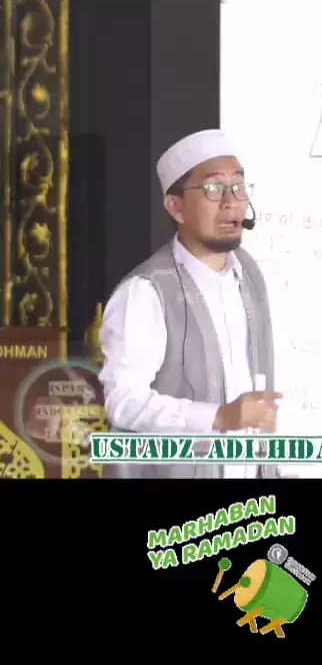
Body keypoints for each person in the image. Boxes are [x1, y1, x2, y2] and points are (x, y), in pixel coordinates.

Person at [99, 129, 283, 478]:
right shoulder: (146, 291)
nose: (231, 201)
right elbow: (123, 402)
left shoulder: (250, 274)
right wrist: (218, 417)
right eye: (214, 188)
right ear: (177, 207)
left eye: (239, 186)